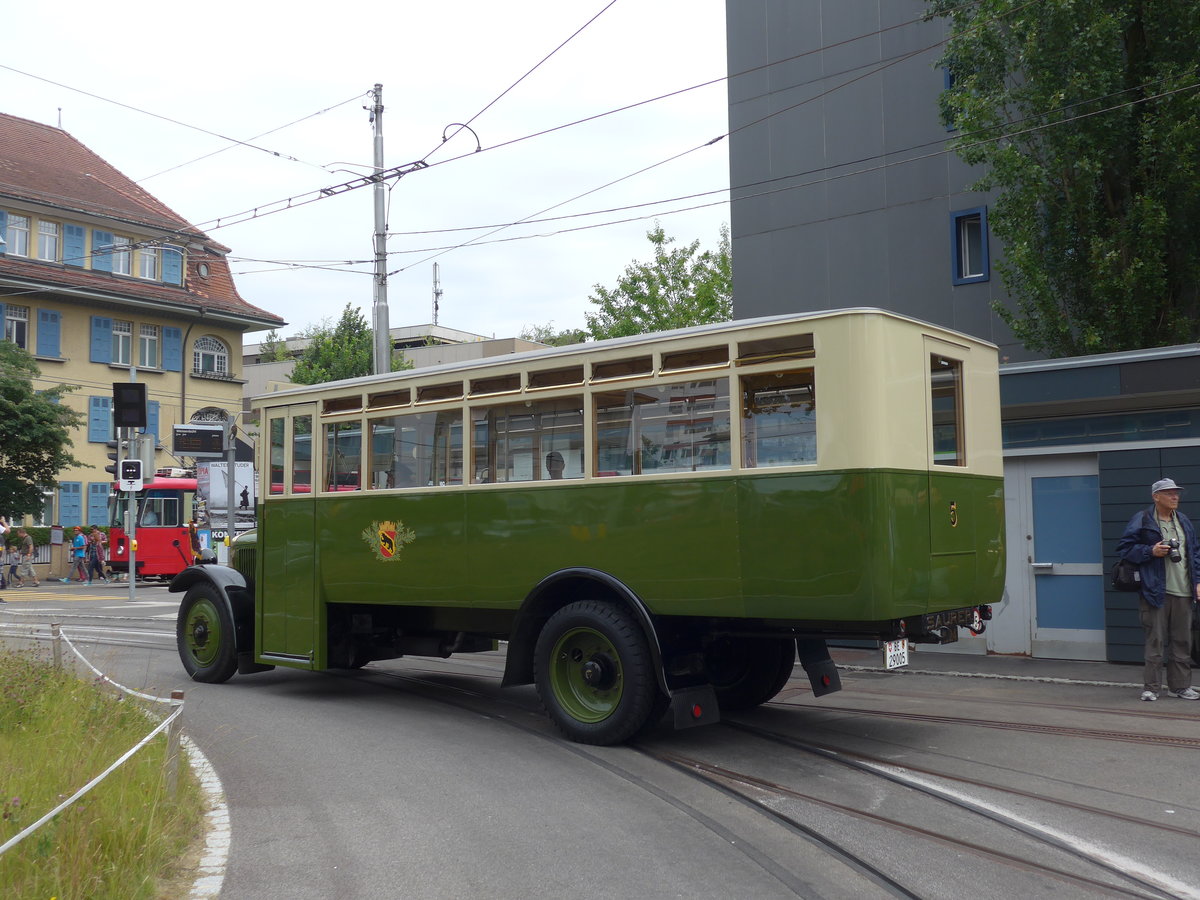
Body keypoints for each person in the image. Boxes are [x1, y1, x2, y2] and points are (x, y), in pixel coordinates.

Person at [1117, 478, 1200, 701]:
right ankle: (1151, 687)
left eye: (1177, 493)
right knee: (1155, 641)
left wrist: (1197, 581)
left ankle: (1180, 687)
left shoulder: (1183, 521)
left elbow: (1194, 553)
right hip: (1155, 591)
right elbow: (1125, 549)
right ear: (1156, 496)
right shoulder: (1143, 519)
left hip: (1184, 591)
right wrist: (1150, 551)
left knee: (1182, 641)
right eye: (1169, 493)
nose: (1175, 497)